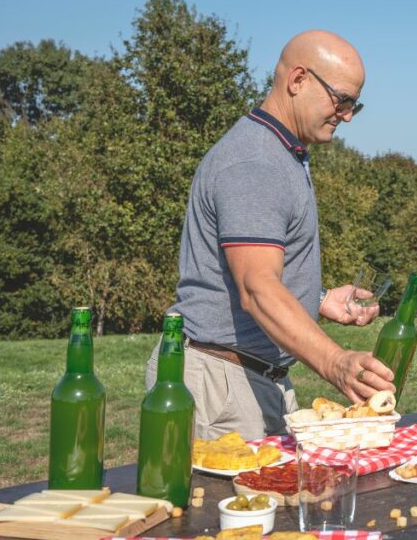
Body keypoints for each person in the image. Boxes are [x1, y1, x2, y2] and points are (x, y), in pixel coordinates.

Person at [146, 30, 395, 441]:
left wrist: (317, 299)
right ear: (298, 80)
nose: (347, 115)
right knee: (225, 507)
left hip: (247, 375)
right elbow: (256, 287)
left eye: (355, 104)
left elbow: (252, 273)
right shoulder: (256, 161)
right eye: (342, 100)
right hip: (222, 384)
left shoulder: (280, 152)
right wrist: (335, 362)